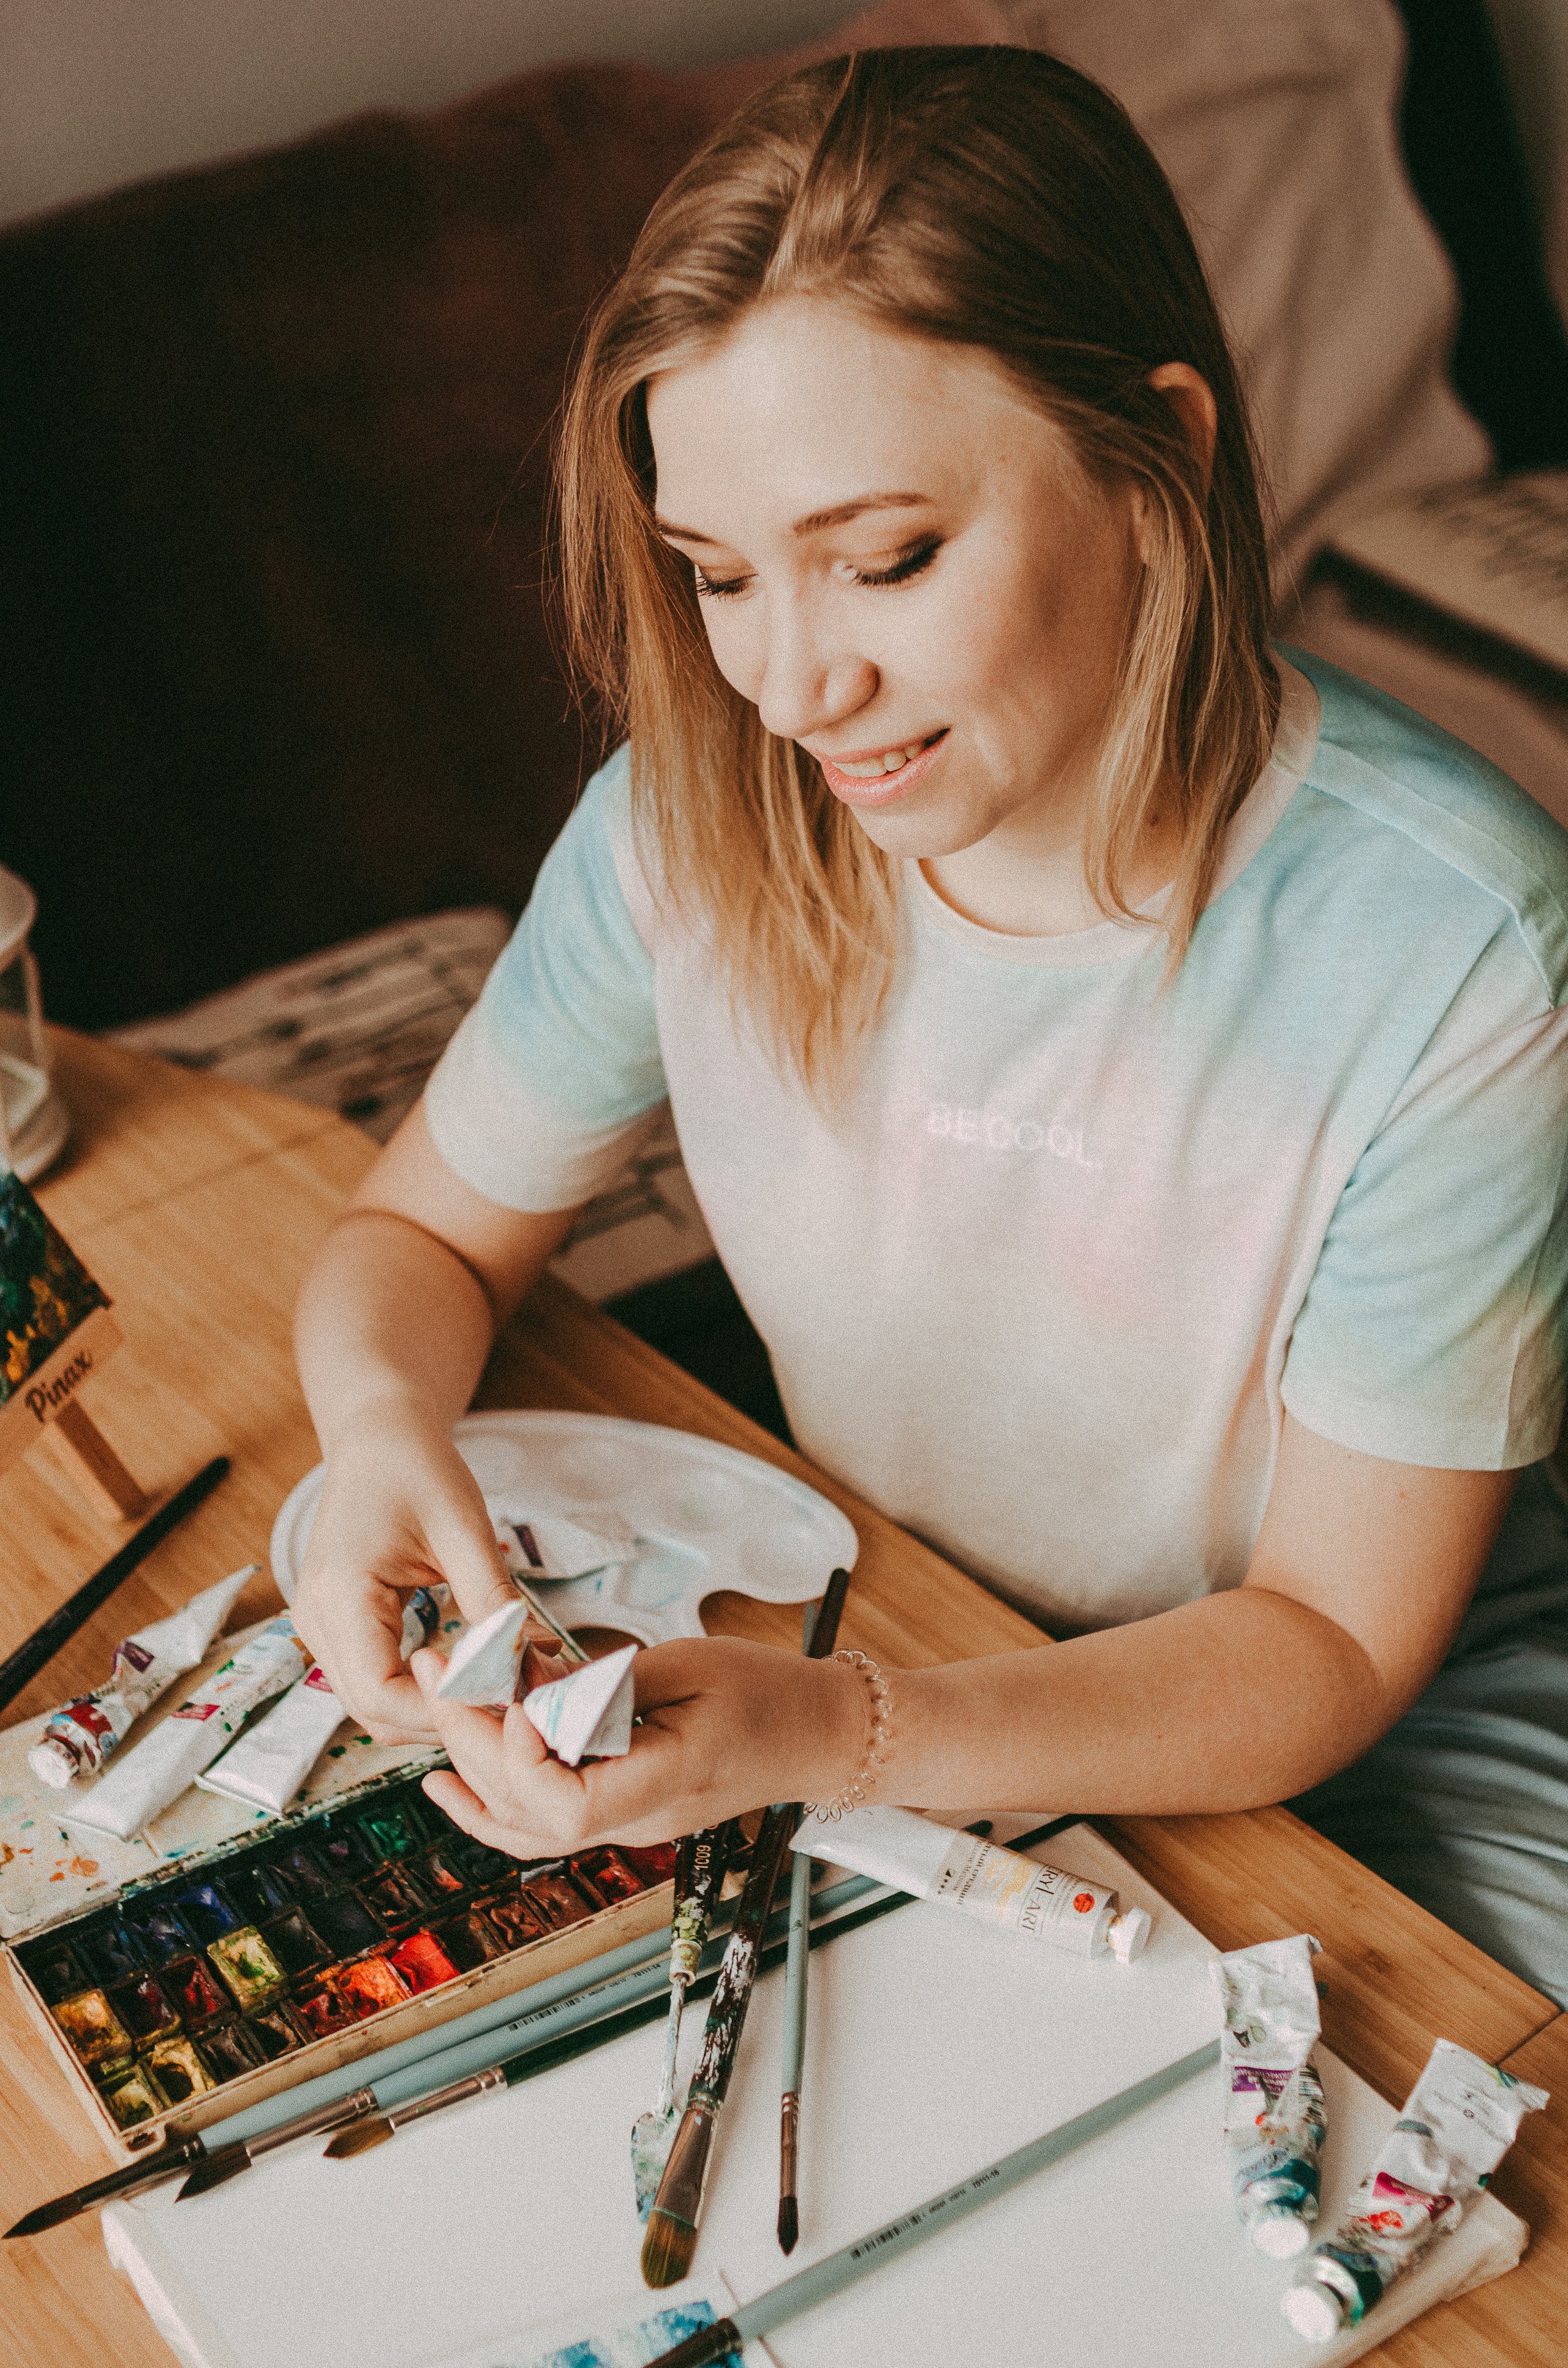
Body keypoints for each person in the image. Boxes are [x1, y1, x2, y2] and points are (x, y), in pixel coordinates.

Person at [292, 48, 1568, 2002]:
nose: (792, 683)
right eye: (721, 576)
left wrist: (856, 1730)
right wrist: (376, 1442)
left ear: (1157, 460)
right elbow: (418, 1237)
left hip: (1383, 1729)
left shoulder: (1461, 944)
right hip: (923, 1635)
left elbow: (1328, 1640)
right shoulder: (689, 820)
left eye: (886, 558)